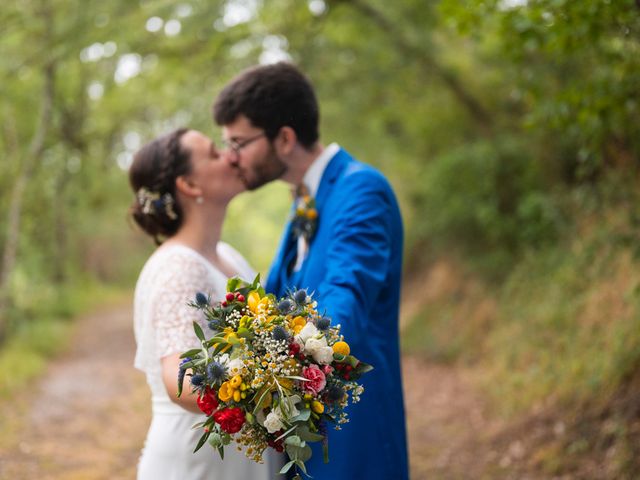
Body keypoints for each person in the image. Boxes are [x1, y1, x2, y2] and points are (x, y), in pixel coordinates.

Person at [214, 63, 409, 480]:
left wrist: (258, 376)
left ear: (284, 139)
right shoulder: (303, 201)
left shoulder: (360, 189)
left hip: (356, 446)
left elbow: (344, 297)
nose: (230, 157)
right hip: (301, 448)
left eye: (238, 142)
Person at [129, 128, 279, 480]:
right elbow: (180, 380)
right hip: (200, 461)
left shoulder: (227, 255)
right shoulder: (179, 266)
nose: (230, 156)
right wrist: (278, 385)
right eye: (214, 153)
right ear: (190, 185)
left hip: (236, 454)